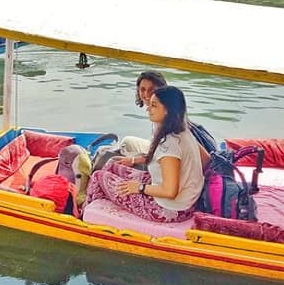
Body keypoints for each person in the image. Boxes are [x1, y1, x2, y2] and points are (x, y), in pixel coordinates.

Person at [84, 86, 204, 222]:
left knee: (98, 176)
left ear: (168, 110)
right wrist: (134, 160)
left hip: (170, 209)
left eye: (154, 106)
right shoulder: (183, 131)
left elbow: (170, 191)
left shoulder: (169, 145)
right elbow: (204, 159)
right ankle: (99, 202)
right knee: (112, 164)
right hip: (184, 200)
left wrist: (138, 188)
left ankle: (86, 216)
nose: (148, 109)